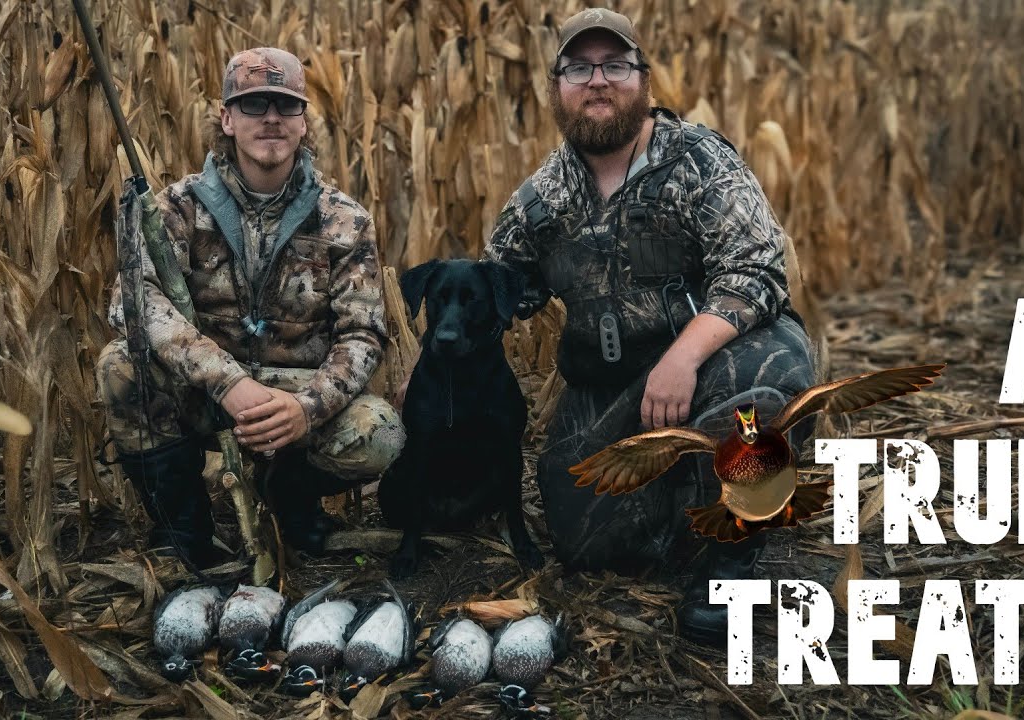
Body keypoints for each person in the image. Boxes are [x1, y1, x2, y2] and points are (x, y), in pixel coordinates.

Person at [482, 8, 817, 645]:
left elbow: (757, 271)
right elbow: (492, 289)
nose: (597, 81)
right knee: (585, 545)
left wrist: (682, 359)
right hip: (614, 389)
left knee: (765, 384)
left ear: (643, 79)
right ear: (556, 87)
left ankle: (732, 558)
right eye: (579, 69)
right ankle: (689, 510)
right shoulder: (540, 201)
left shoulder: (699, 160)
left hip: (713, 361)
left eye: (615, 66)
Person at [96, 48, 404, 568]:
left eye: (286, 105)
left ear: (303, 122)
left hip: (296, 391)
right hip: (206, 390)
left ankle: (288, 497)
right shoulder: (175, 208)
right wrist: (226, 381)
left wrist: (306, 409)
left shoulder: (345, 219)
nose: (271, 118)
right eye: (254, 104)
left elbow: (363, 334)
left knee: (381, 432)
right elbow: (132, 304)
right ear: (227, 118)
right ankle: (184, 532)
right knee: (120, 366)